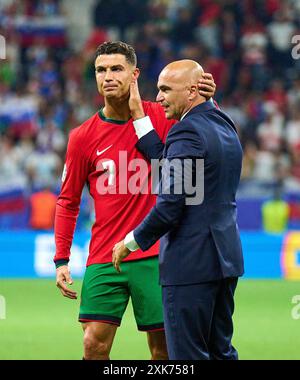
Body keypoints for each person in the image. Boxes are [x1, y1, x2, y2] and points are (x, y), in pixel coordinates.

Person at [54, 41, 216, 360]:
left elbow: (210, 135)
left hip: (156, 252)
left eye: (117, 69)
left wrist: (211, 102)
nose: (108, 76)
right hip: (103, 253)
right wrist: (61, 259)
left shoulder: (164, 116)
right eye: (101, 70)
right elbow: (68, 201)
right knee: (93, 345)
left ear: (134, 74)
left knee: (164, 349)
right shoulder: (82, 137)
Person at [112, 60, 244, 360]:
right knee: (220, 352)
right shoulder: (224, 125)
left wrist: (130, 242)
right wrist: (138, 117)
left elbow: (171, 205)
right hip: (224, 259)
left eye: (165, 89)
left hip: (190, 264)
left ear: (192, 92)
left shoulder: (185, 132)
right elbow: (170, 165)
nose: (158, 97)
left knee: (187, 357)